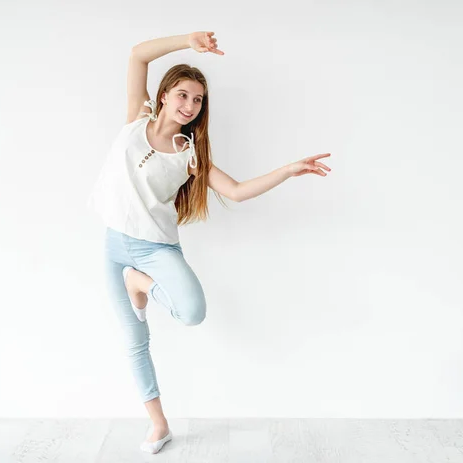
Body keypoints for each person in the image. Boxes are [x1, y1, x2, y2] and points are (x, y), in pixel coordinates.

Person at [88, 31, 331, 454]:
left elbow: (235, 190)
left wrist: (288, 170)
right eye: (183, 95)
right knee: (135, 341)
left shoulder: (190, 154)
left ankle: (139, 284)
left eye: (198, 100)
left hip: (154, 250)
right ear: (164, 95)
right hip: (114, 246)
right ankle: (158, 424)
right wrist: (188, 40)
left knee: (192, 312)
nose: (190, 105)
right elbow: (137, 55)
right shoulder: (134, 118)